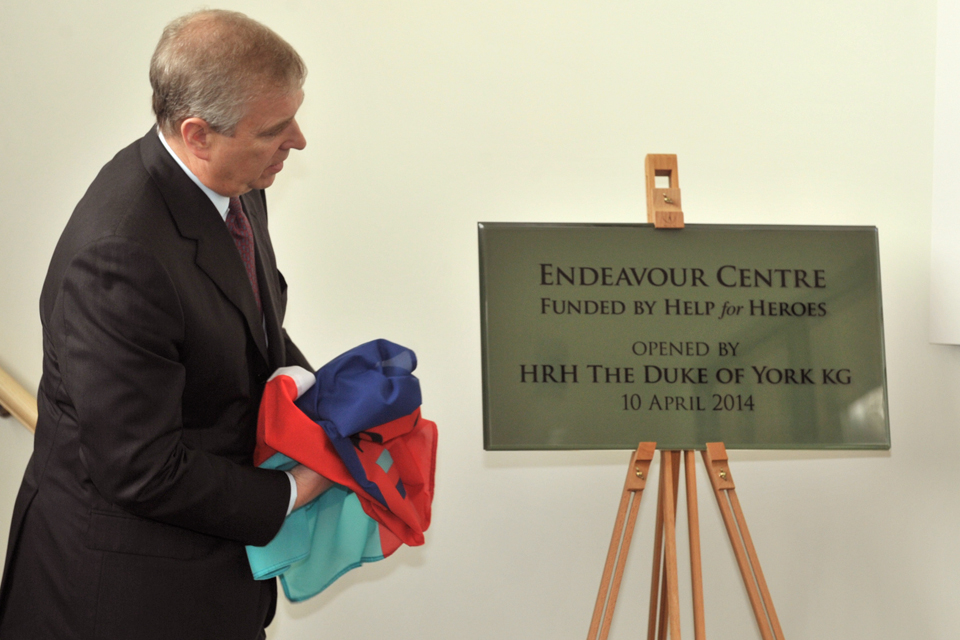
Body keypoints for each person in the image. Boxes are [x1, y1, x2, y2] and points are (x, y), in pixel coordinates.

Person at [0, 10, 331, 639]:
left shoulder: (236, 178)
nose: (299, 141)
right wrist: (299, 487)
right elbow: (140, 469)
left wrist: (326, 401)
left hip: (205, 575)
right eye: (276, 128)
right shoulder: (118, 257)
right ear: (198, 133)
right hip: (122, 598)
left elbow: (248, 324)